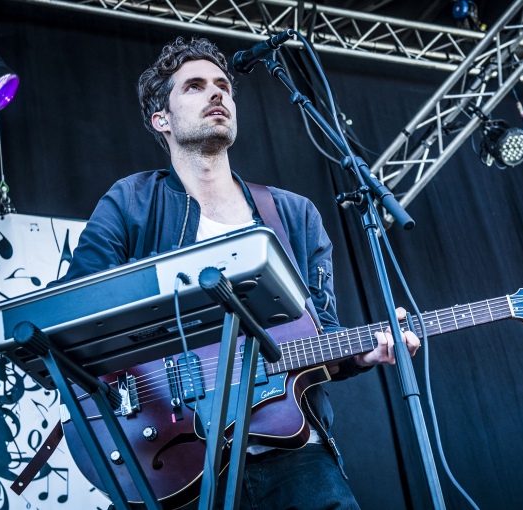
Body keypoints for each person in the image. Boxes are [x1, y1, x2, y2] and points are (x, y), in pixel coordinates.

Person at [57, 35, 421, 509]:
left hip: (294, 457)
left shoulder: (294, 215)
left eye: (224, 86)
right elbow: (71, 311)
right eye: (194, 86)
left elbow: (321, 339)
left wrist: (363, 353)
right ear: (160, 118)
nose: (217, 94)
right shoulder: (132, 201)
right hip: (177, 459)